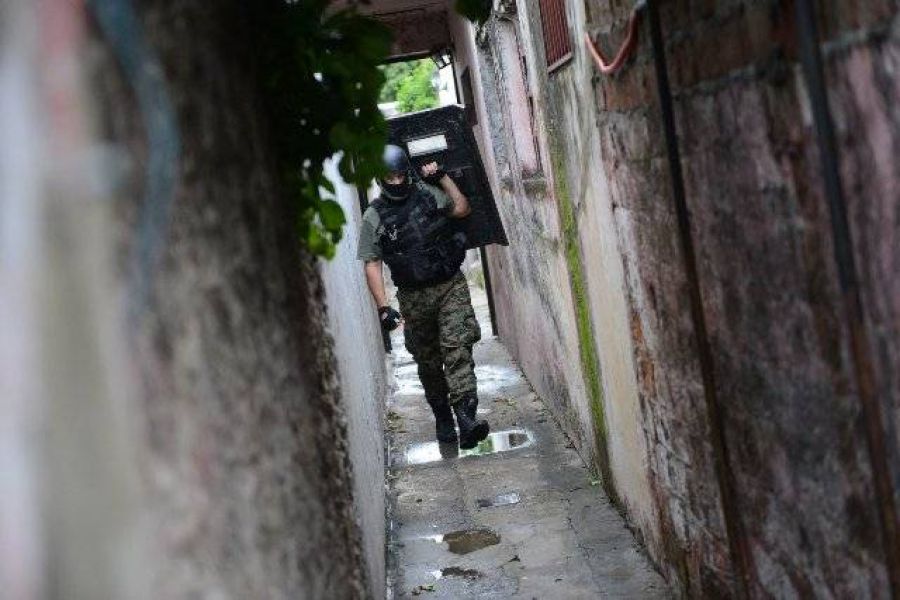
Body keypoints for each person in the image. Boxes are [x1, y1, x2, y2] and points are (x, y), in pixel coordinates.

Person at [357, 144, 490, 449]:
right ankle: (443, 415)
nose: (396, 182)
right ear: (380, 179)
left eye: (400, 175)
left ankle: (466, 418)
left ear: (407, 173)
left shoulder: (428, 193)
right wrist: (384, 307)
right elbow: (372, 264)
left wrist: (443, 178)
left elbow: (461, 208)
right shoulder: (374, 216)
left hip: (449, 286)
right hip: (414, 297)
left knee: (457, 349)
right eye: (389, 177)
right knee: (429, 363)